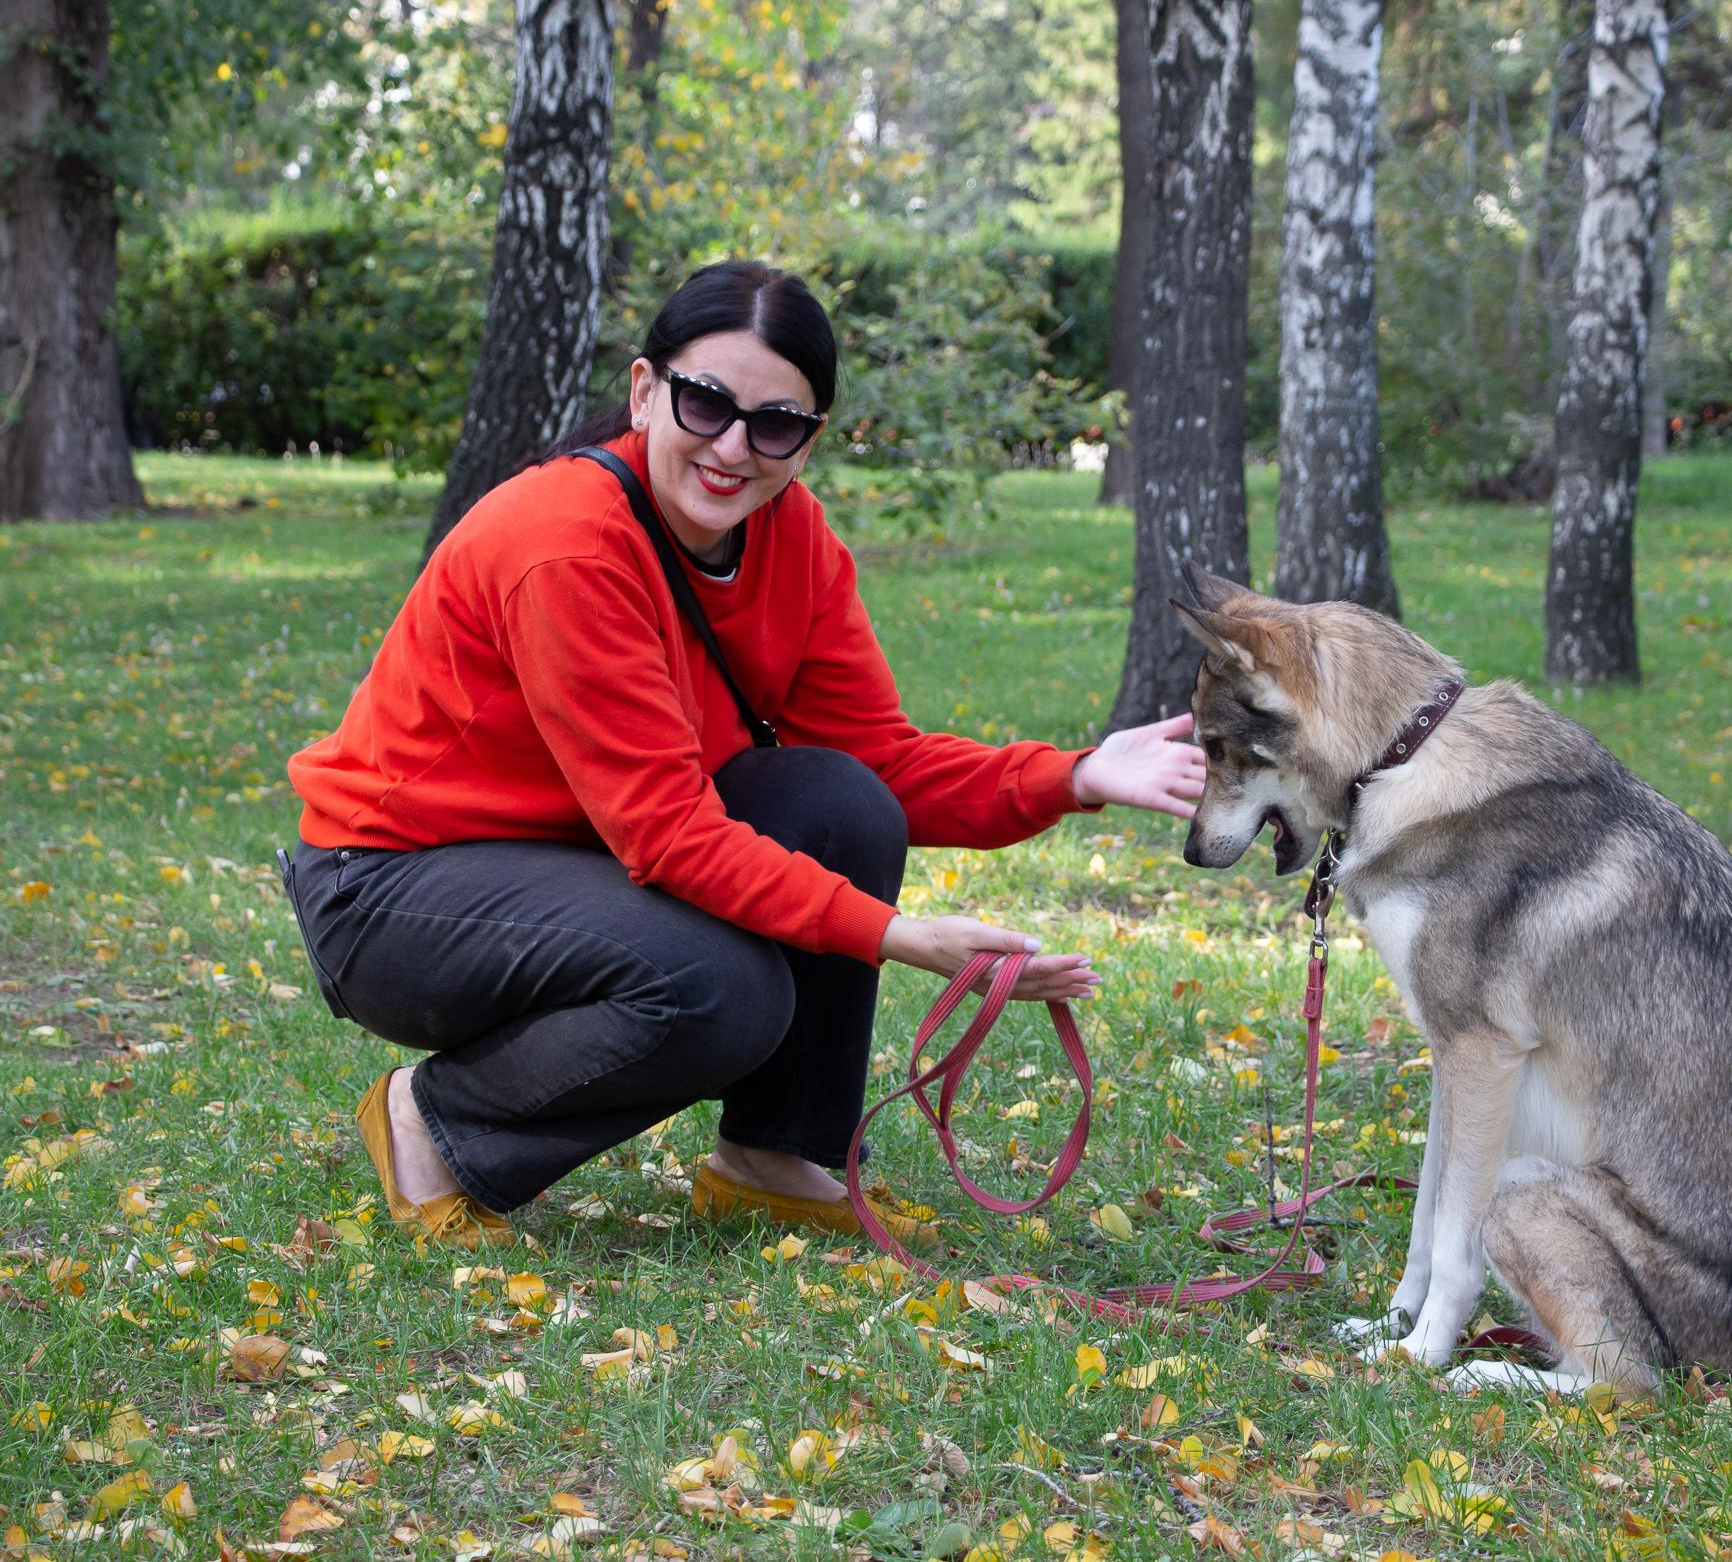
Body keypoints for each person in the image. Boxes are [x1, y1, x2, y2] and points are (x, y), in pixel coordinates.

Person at [282, 259, 1203, 1248]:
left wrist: (1074, 774)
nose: (731, 448)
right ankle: (436, 1123)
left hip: (562, 858)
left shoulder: (790, 536)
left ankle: (775, 1156)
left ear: (808, 440)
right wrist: (899, 935)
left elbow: (878, 762)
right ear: (646, 390)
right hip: (388, 890)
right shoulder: (566, 544)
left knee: (836, 800)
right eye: (704, 403)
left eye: (774, 424)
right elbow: (669, 833)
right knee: (721, 988)